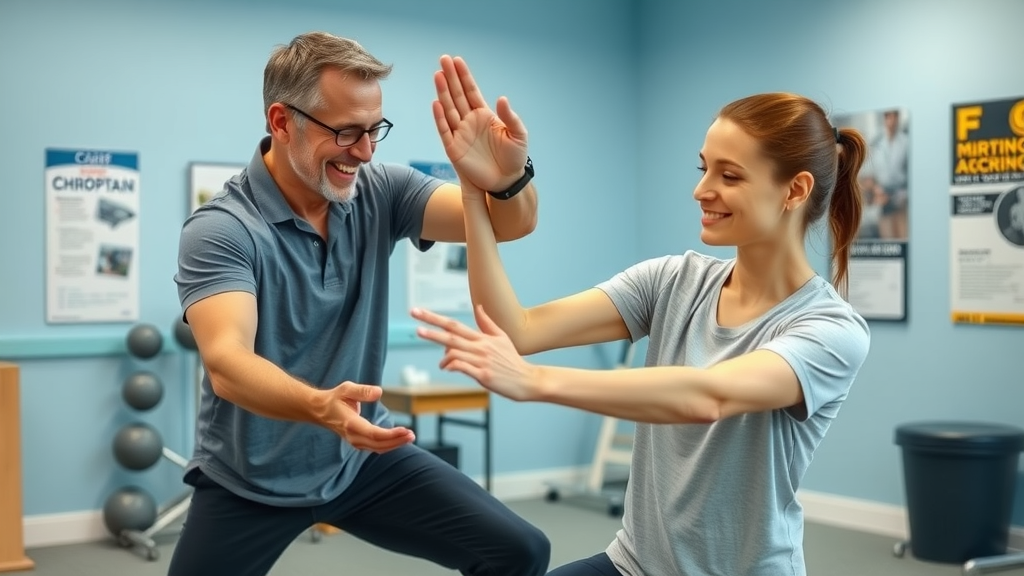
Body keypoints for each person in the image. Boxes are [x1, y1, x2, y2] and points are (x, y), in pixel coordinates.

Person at [413, 92, 872, 576]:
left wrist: (536, 381)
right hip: (633, 563)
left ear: (795, 190)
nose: (701, 190)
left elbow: (708, 396)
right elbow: (516, 329)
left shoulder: (831, 329)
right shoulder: (672, 280)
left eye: (730, 176)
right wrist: (475, 194)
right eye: (704, 169)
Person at [172, 31, 550, 576]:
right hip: (248, 479)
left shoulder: (382, 192)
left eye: (375, 130)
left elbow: (508, 224)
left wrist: (507, 177)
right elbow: (228, 364)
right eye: (346, 132)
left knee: (520, 550)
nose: (366, 151)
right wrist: (322, 408)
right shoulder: (223, 229)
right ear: (282, 121)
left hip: (360, 460)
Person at [860, 109, 909, 240]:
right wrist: (876, 189)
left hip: (901, 196)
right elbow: (868, 176)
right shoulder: (877, 142)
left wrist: (902, 194)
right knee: (887, 239)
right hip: (881, 195)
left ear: (898, 118)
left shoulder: (906, 142)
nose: (891, 121)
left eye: (894, 117)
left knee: (902, 236)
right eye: (888, 117)